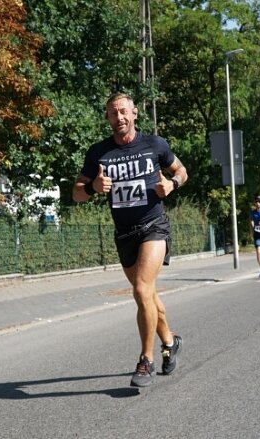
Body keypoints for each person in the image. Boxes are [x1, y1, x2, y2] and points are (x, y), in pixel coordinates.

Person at [73, 93, 186, 387]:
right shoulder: (99, 152)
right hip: (124, 233)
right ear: (107, 118)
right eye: (113, 113)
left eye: (124, 112)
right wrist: (94, 187)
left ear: (134, 113)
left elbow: (182, 171)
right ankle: (170, 342)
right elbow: (76, 192)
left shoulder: (155, 144)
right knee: (147, 295)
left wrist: (171, 184)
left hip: (153, 225)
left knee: (140, 289)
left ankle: (145, 361)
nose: (119, 118)